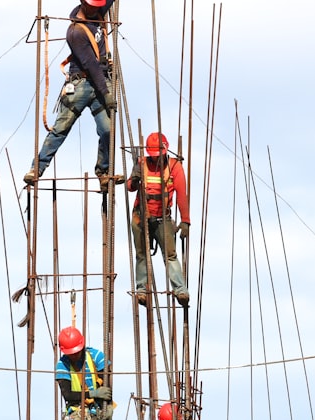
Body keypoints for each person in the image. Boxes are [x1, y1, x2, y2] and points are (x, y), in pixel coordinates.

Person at [24, 0, 119, 187]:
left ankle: (103, 172)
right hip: (82, 84)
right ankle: (37, 168)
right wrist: (106, 93)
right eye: (92, 6)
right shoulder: (75, 32)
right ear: (83, 3)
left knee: (108, 130)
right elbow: (91, 66)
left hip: (100, 82)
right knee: (61, 128)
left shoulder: (98, 11)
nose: (95, 9)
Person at [126, 132, 191, 306]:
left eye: (159, 156)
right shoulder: (142, 164)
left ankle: (180, 290)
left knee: (170, 255)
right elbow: (130, 187)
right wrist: (135, 178)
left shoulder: (174, 166)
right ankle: (141, 290)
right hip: (141, 217)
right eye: (154, 156)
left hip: (163, 219)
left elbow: (181, 195)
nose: (156, 159)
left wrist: (185, 220)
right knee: (141, 255)